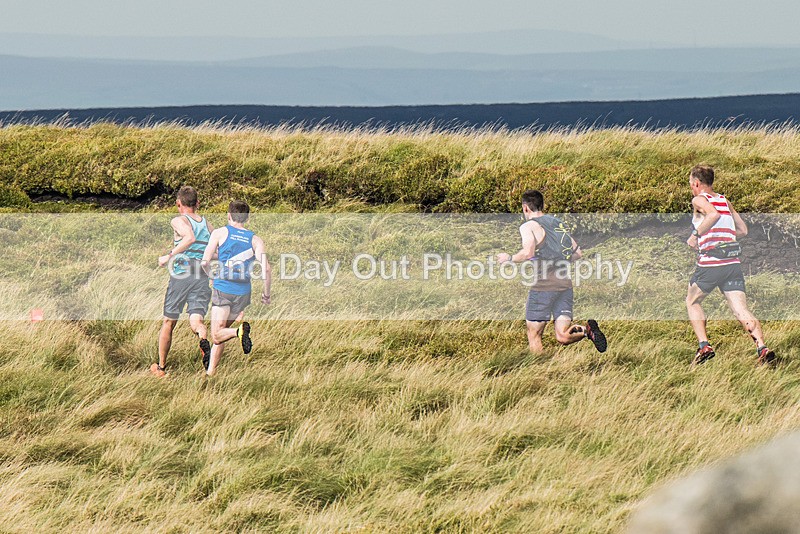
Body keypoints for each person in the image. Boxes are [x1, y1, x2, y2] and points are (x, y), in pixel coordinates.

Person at [497, 189, 607, 354]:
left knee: (534, 334)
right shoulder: (557, 223)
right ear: (541, 205)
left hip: (544, 286)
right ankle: (587, 331)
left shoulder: (528, 226)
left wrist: (509, 258)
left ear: (525, 208)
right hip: (564, 285)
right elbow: (578, 253)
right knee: (562, 336)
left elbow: (528, 253)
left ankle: (539, 373)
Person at [685, 165, 775, 366]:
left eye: (691, 185)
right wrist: (724, 237)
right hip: (732, 264)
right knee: (740, 309)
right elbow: (743, 230)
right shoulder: (725, 200)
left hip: (711, 264)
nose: (691, 188)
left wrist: (696, 236)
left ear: (697, 183)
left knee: (692, 302)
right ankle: (762, 348)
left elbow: (713, 215)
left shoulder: (699, 199)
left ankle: (704, 346)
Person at [201, 200, 271, 376]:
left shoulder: (219, 233)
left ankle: (238, 331)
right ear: (246, 218)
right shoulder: (255, 240)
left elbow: (205, 262)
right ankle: (210, 374)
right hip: (243, 294)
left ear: (229, 215)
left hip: (223, 289)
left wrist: (210, 276)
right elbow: (267, 268)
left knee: (217, 334)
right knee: (221, 332)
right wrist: (266, 294)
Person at [151, 186, 214, 377]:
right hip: (201, 277)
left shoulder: (178, 220)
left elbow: (189, 237)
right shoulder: (207, 224)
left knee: (169, 322)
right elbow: (216, 248)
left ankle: (161, 368)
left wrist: (168, 256)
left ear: (178, 204)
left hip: (181, 276)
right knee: (197, 320)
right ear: (198, 203)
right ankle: (203, 337)